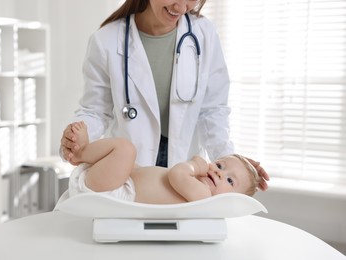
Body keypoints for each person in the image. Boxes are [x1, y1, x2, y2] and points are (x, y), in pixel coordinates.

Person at [61, 0, 269, 191]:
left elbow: (212, 111)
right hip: (128, 171)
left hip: (186, 170)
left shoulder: (204, 33)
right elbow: (95, 110)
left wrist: (231, 160)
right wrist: (76, 140)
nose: (182, 7)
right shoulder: (106, 40)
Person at [68, 121, 261, 204]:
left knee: (126, 149)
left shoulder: (203, 195)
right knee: (128, 158)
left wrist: (194, 164)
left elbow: (176, 174)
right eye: (220, 165)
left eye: (230, 181)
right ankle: (85, 152)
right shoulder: (199, 185)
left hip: (116, 191)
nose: (220, 173)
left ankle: (82, 152)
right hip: (122, 182)